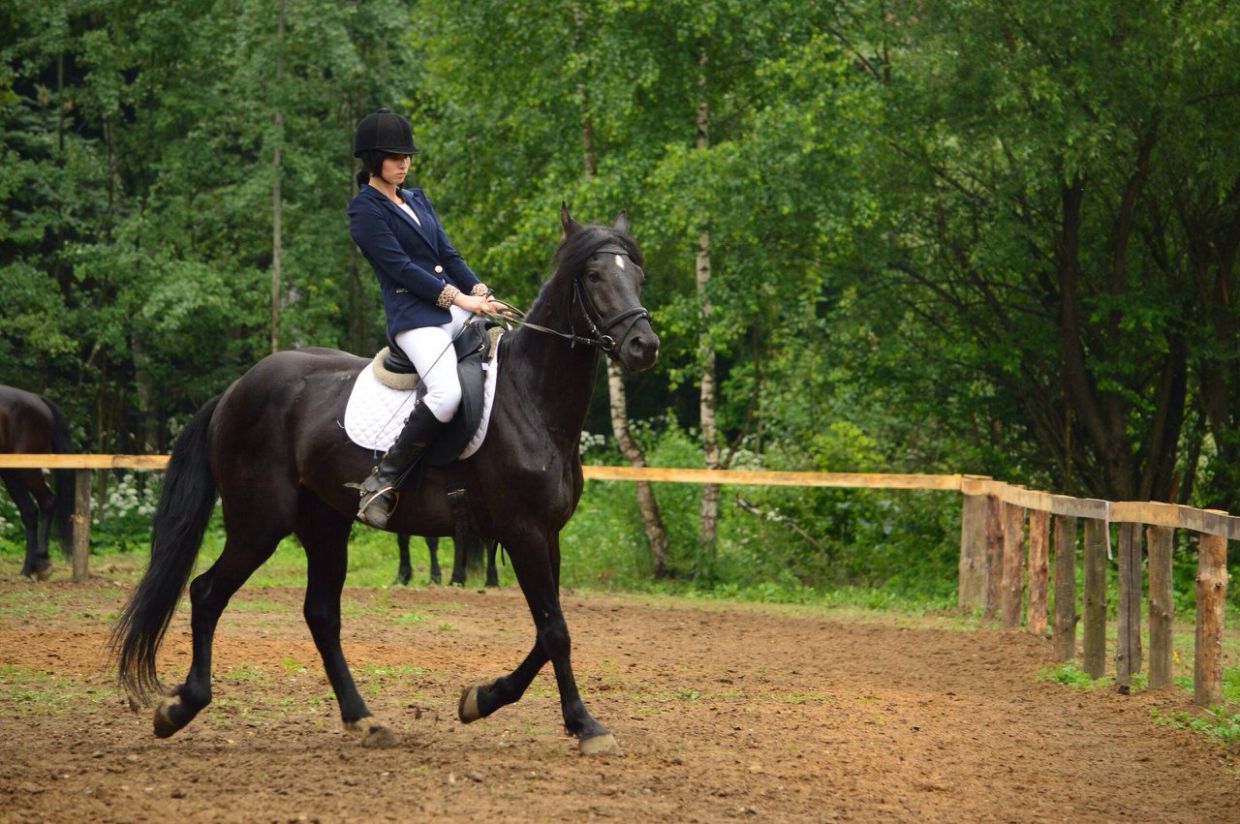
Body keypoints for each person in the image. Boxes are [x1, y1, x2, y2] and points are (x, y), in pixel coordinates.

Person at [347, 108, 503, 528]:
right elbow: (401, 268)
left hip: (451, 309)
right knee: (446, 394)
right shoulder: (365, 210)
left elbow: (447, 255)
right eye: (395, 157)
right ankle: (382, 480)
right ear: (374, 159)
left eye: (407, 156)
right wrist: (459, 299)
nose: (404, 163)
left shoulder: (416, 198)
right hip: (415, 319)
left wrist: (482, 293)